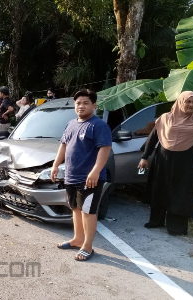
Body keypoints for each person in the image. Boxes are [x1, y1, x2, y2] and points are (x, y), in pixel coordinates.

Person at [51, 89, 112, 262]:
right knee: (76, 209)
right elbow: (63, 145)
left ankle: (88, 246)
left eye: (86, 103)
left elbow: (105, 149)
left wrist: (95, 171)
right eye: (78, 103)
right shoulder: (71, 124)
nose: (81, 106)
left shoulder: (99, 125)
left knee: (88, 211)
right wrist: (56, 165)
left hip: (90, 178)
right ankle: (77, 239)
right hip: (71, 175)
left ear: (94, 105)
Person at [138, 91, 193, 235]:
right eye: (188, 101)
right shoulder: (165, 118)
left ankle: (176, 227)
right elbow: (153, 139)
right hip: (163, 160)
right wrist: (145, 157)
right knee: (159, 189)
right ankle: (156, 221)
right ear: (180, 102)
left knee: (181, 192)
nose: (191, 105)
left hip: (185, 163)